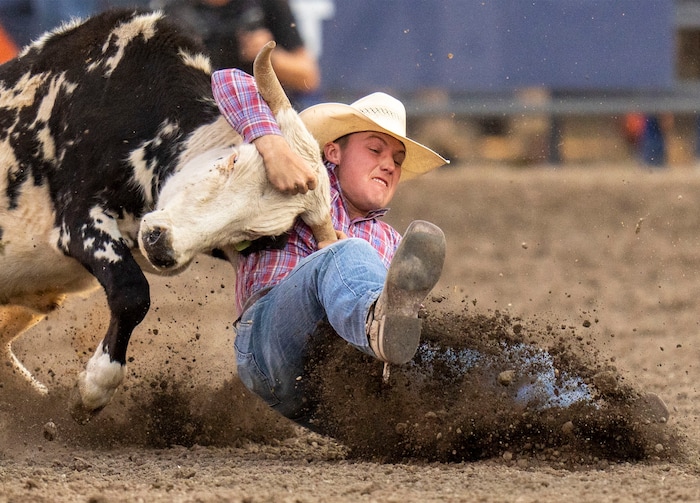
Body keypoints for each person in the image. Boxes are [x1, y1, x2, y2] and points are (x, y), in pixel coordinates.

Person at [208, 67, 647, 431]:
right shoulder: (288, 181)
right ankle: (372, 319)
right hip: (269, 345)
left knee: (472, 356)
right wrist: (271, 144)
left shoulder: (392, 243)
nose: (388, 164)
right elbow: (228, 80)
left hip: (332, 388)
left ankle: (587, 410)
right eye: (375, 149)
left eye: (396, 160)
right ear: (333, 153)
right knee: (344, 257)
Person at [157, 0, 320, 107]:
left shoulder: (266, 4)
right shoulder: (173, 10)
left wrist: (268, 57)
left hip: (264, 111)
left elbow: (308, 78)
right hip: (204, 118)